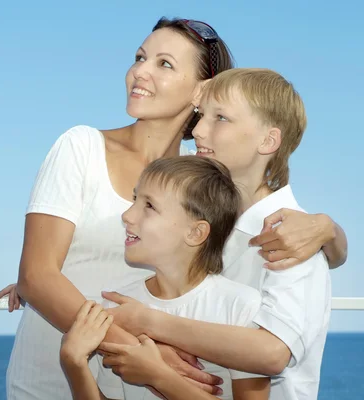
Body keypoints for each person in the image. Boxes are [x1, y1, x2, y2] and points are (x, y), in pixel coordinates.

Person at [0, 18, 348, 400]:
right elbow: (41, 273)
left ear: (202, 90)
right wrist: (50, 279)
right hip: (61, 373)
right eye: (140, 57)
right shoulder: (81, 146)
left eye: (164, 63)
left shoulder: (200, 180)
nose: (139, 71)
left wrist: (329, 231)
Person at [101, 68, 331, 400]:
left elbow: (272, 353)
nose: (198, 131)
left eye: (220, 118)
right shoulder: (206, 221)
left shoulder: (293, 239)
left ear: (268, 140)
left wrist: (148, 323)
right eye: (200, 116)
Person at [60, 156, 271, 400]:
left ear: (195, 232)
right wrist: (74, 363)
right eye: (134, 199)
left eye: (149, 206)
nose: (127, 215)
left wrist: (158, 375)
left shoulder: (240, 306)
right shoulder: (119, 306)